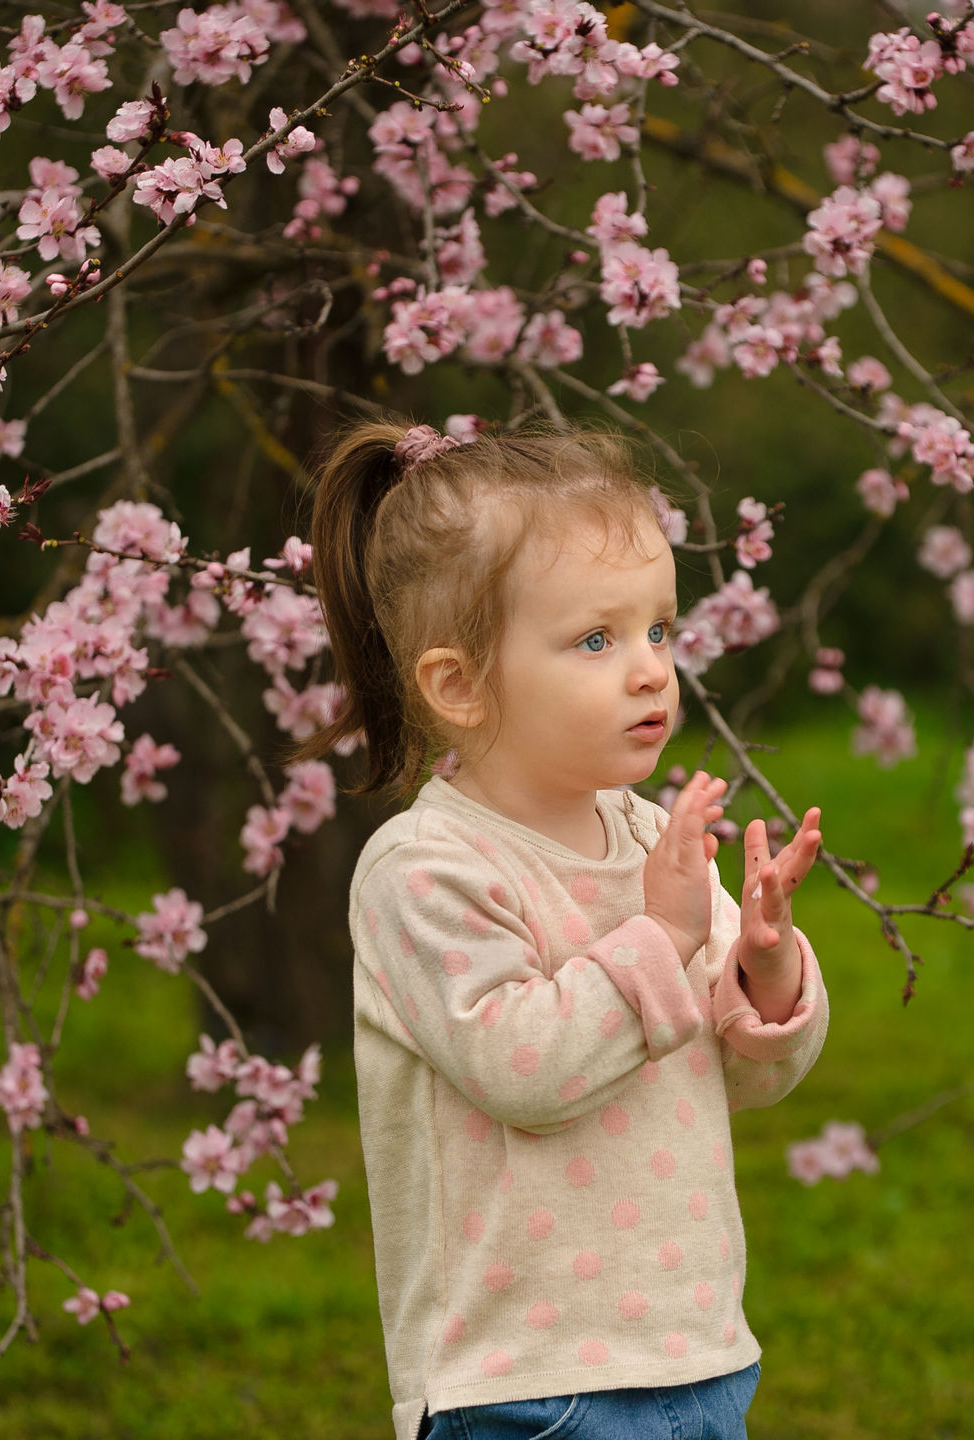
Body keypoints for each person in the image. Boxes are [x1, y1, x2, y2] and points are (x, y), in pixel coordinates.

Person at [292, 415, 831, 1440]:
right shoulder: (426, 871)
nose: (648, 670)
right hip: (525, 1384)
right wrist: (663, 936)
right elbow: (525, 1070)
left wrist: (765, 969)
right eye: (596, 639)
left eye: (658, 630)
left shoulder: (650, 841)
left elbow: (755, 1077)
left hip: (698, 1349)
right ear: (457, 685)